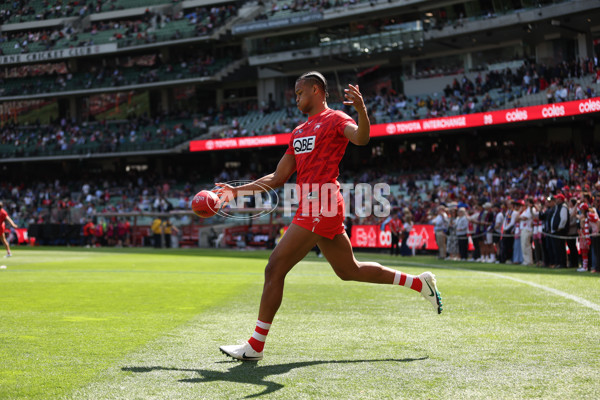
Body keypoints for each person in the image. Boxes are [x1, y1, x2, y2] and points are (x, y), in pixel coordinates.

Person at [216, 71, 442, 361]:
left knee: (274, 268)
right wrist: (237, 191)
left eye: (300, 92)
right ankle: (419, 283)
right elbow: (278, 177)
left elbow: (361, 138)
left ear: (316, 90)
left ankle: (255, 346)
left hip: (321, 204)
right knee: (349, 270)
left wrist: (361, 110)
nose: (296, 98)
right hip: (314, 205)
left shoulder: (335, 119)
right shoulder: (298, 132)